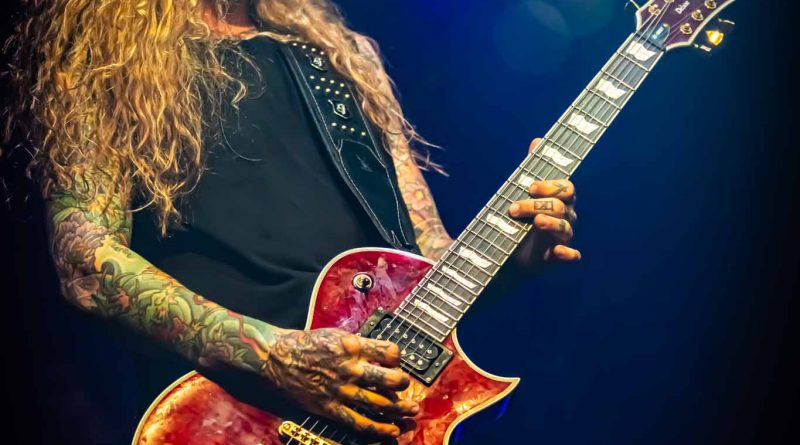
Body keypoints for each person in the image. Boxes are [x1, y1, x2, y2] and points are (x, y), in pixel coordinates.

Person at [4, 0, 580, 439]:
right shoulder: (104, 60)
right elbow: (87, 260)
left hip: (381, 410)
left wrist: (512, 260)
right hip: (230, 417)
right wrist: (273, 355)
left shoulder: (344, 58)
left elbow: (424, 261)